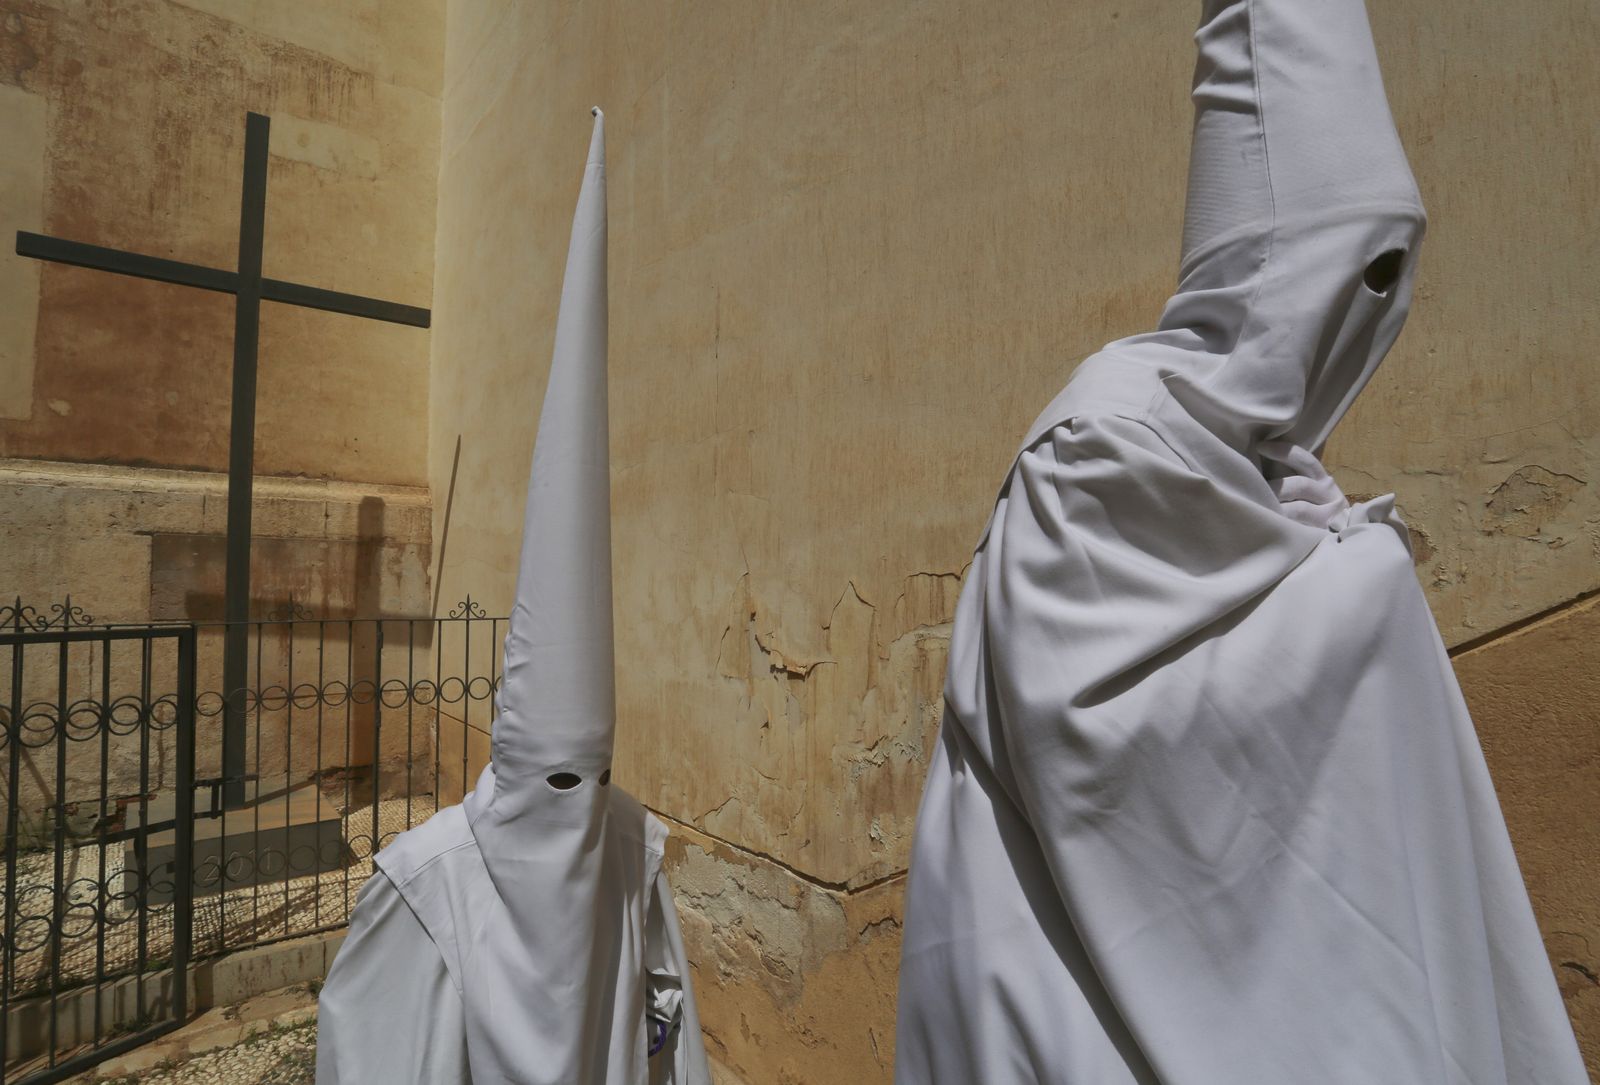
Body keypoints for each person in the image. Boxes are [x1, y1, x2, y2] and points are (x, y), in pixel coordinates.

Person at [893, 3, 1588, 1082]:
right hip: (1067, 997)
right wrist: (1360, 580)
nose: (1357, 318)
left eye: (1385, 280)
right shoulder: (1102, 440)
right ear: (1267, 258)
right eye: (1349, 269)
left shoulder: (1255, 471)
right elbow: (1105, 737)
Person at [316, 109, 711, 1085]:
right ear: (509, 750)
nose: (577, 806)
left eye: (592, 774)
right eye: (555, 780)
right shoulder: (427, 885)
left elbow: (667, 1037)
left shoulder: (628, 847)